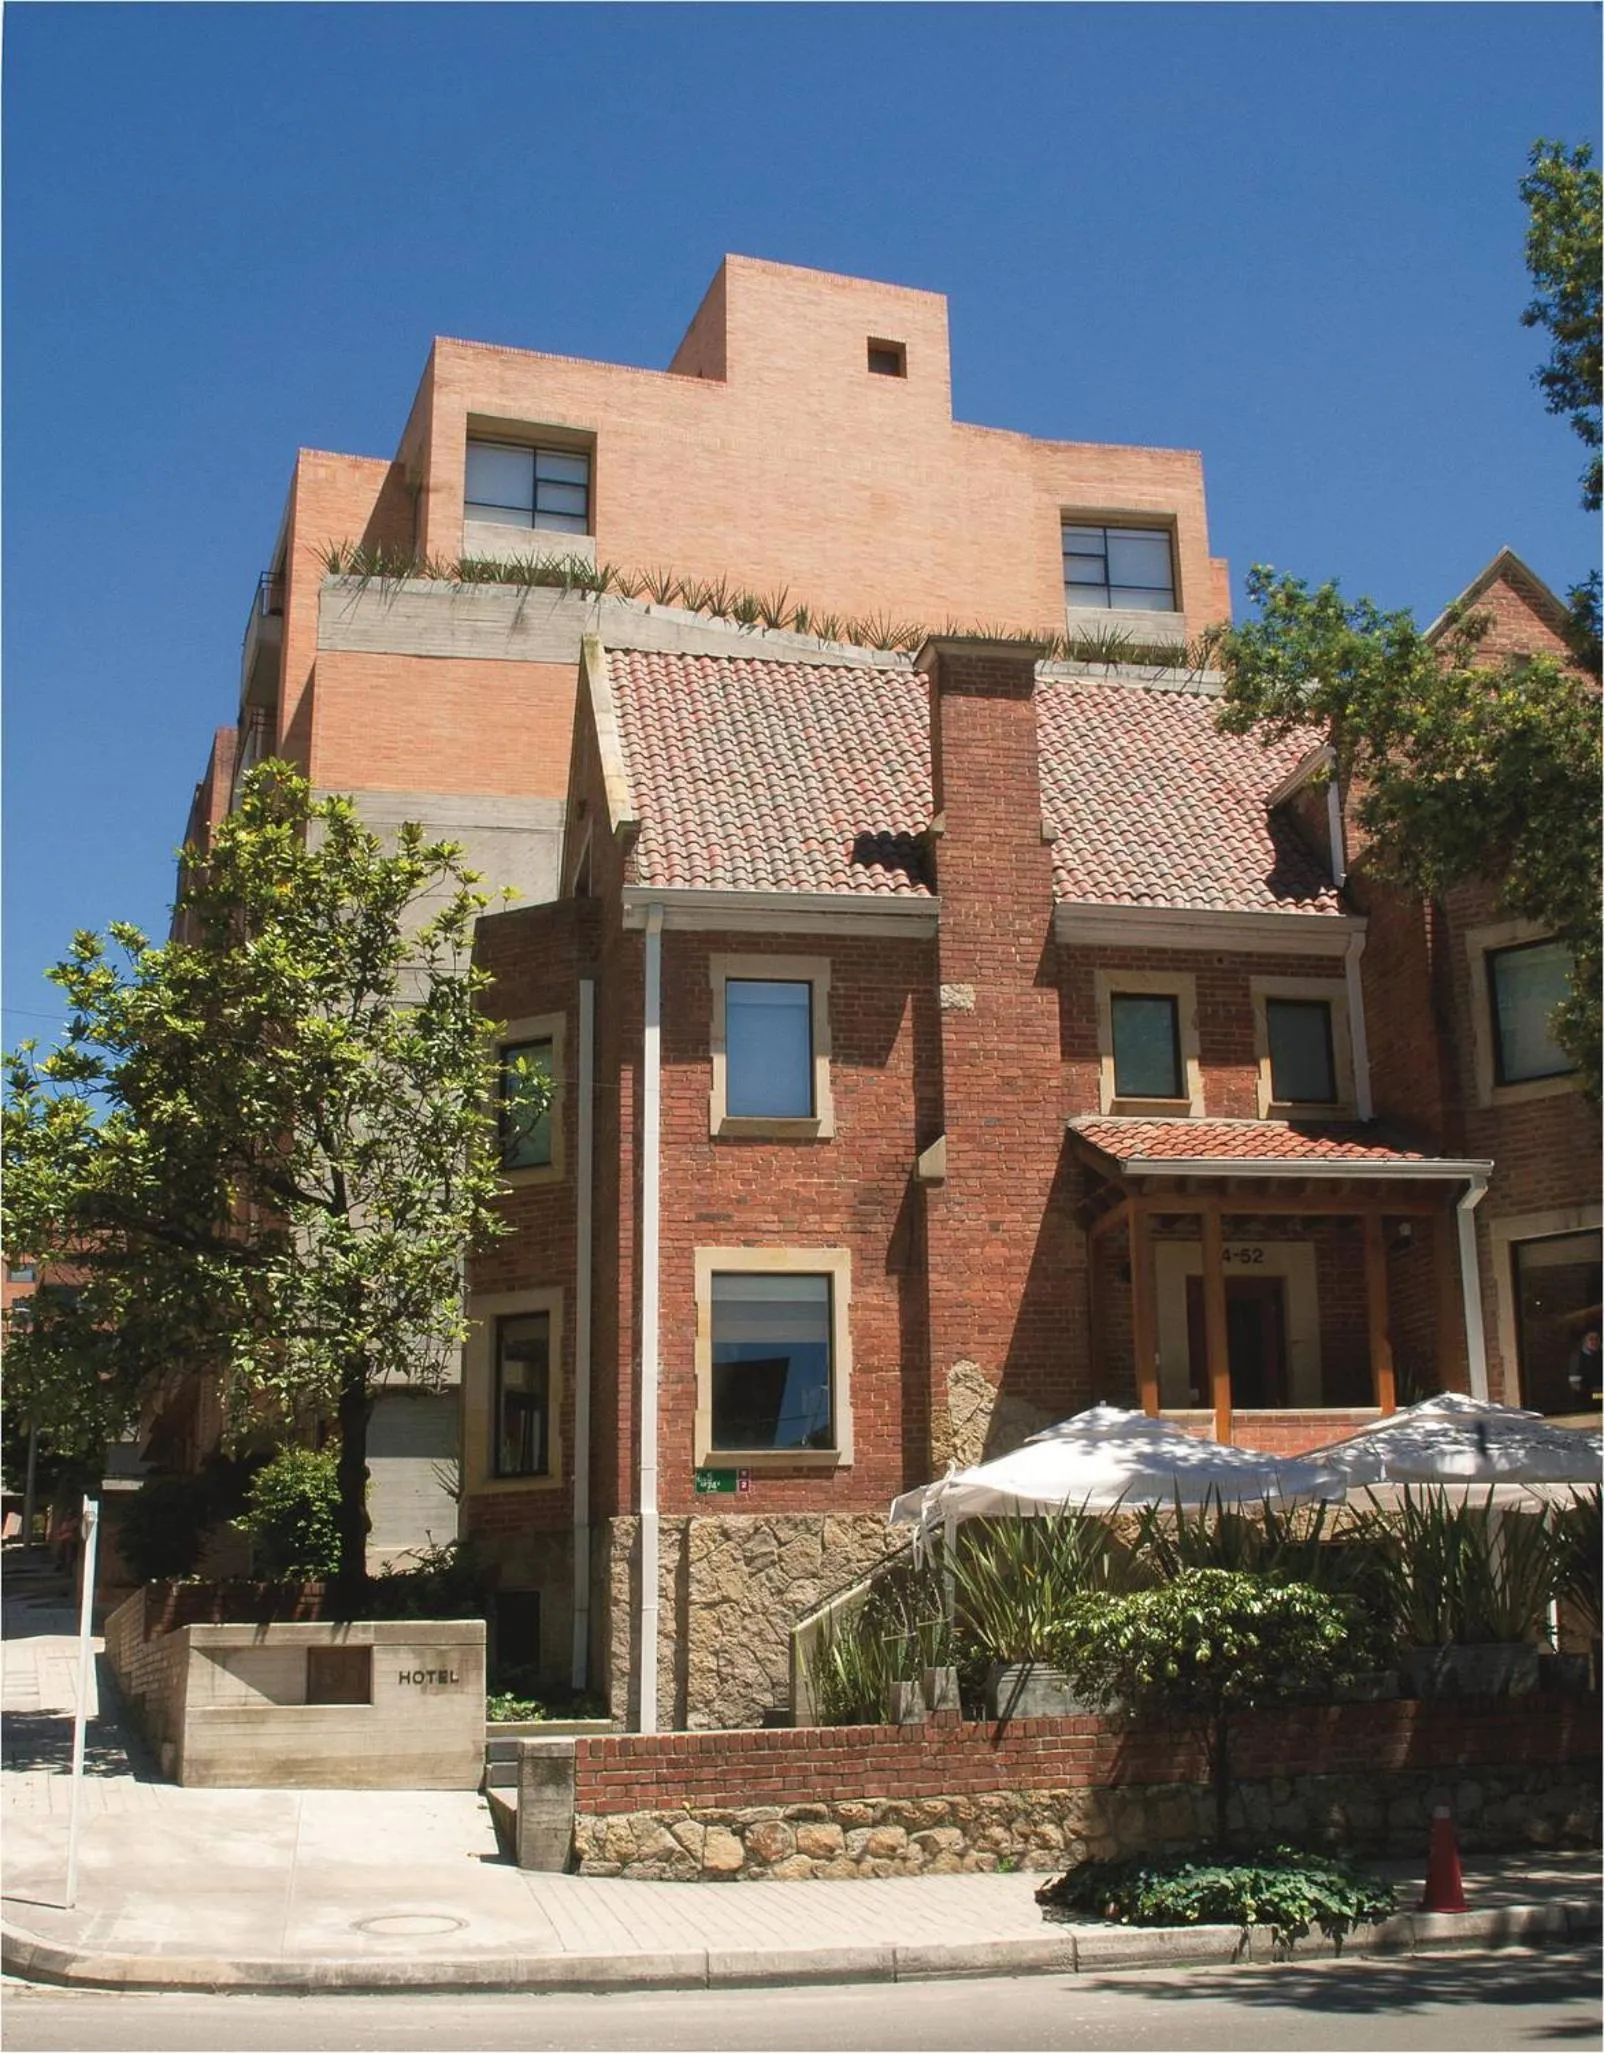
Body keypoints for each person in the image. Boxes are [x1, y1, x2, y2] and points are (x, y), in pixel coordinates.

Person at [1566, 1327, 1602, 1406]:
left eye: (1597, 1339)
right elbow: (1575, 1385)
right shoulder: (1577, 1358)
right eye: (1591, 1339)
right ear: (1584, 1341)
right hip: (1585, 1401)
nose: (1594, 1342)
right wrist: (1597, 1393)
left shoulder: (1600, 1354)